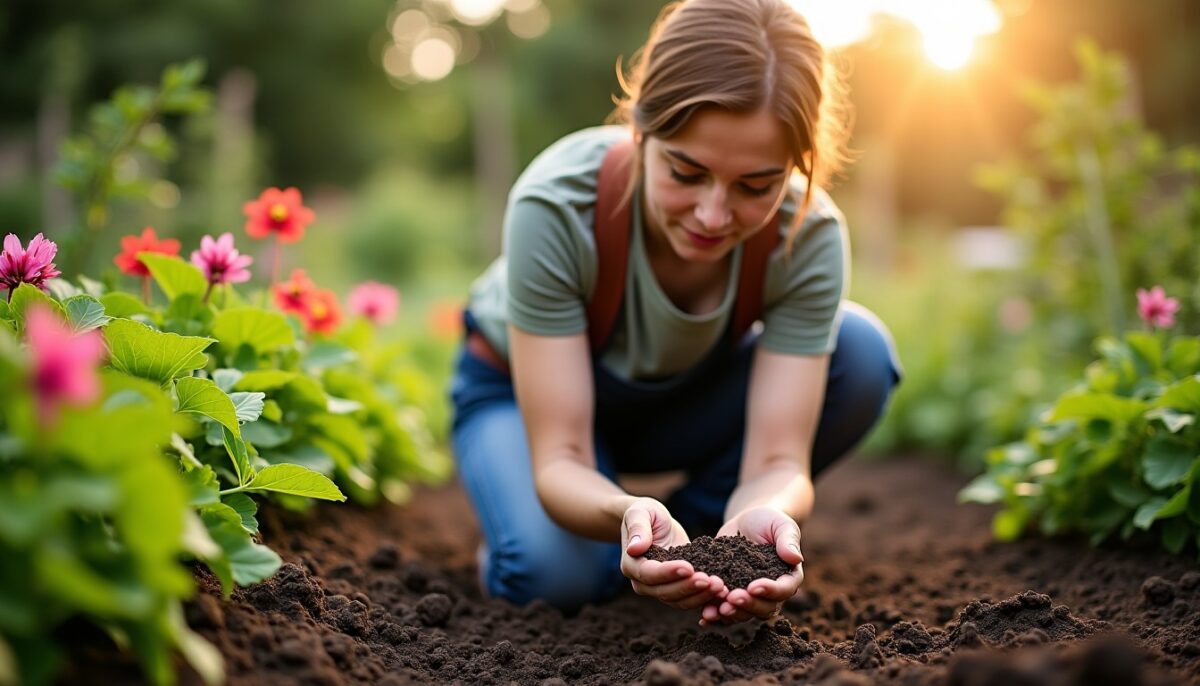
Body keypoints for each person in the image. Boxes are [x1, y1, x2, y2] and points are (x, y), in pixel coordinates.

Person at [450, 0, 901, 626]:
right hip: (525, 398)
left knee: (860, 353)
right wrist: (621, 515)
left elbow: (777, 461)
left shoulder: (809, 237)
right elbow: (562, 456)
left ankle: (689, 541)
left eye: (755, 186)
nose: (714, 215)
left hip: (679, 399)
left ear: (796, 167)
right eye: (686, 172)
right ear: (641, 130)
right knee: (556, 578)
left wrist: (761, 520)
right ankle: (544, 538)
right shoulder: (556, 205)